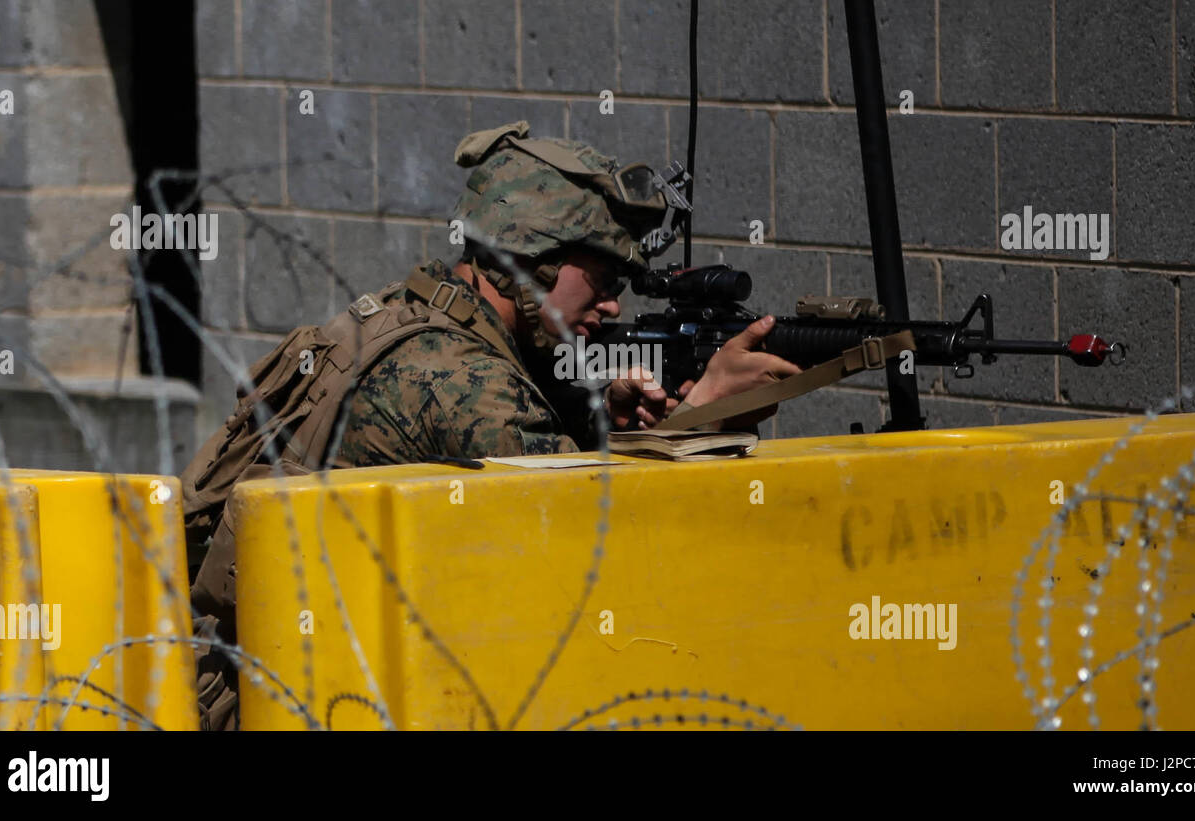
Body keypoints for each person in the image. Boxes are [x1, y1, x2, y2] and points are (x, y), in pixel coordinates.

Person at [183, 121, 801, 729]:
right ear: (531, 257)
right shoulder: (464, 384)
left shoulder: (415, 314)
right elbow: (605, 547)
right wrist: (708, 410)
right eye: (605, 278)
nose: (614, 303)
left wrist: (597, 423)